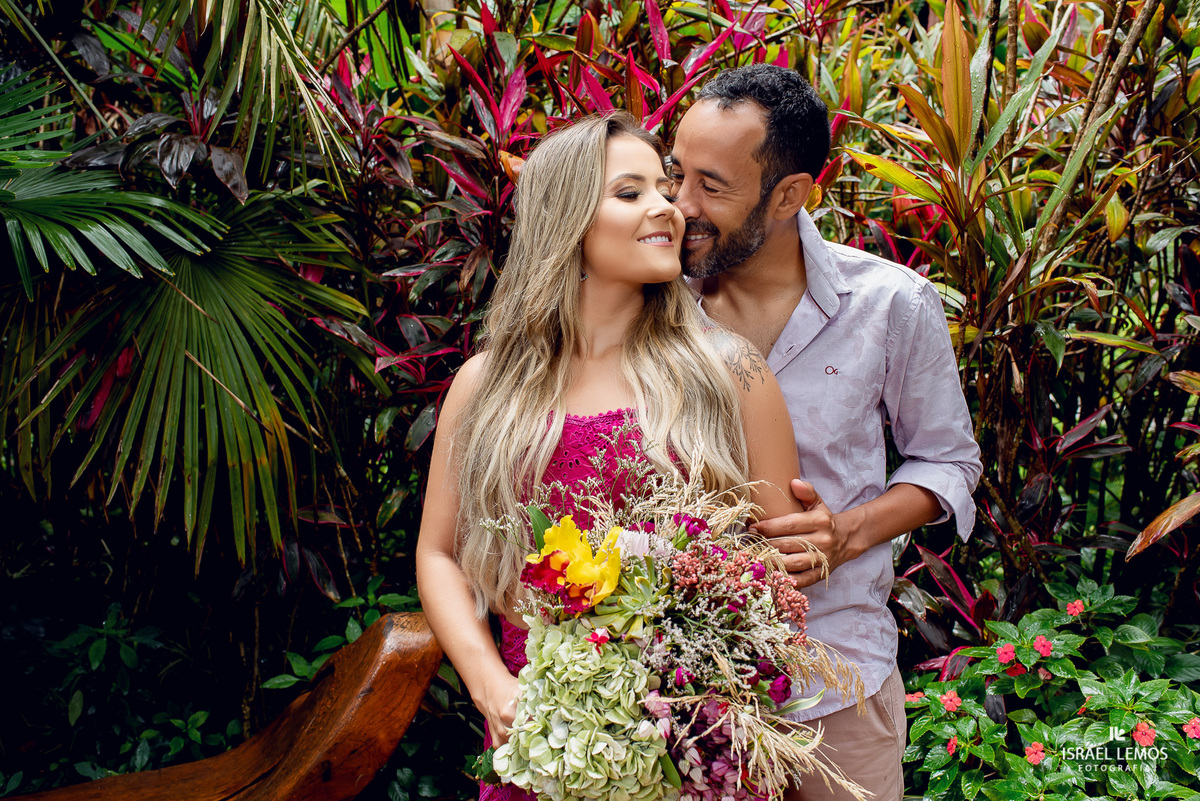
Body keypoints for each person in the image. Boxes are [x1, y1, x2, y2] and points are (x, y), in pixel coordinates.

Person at [414, 111, 812, 801]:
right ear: (566, 219)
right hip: (542, 742)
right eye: (631, 192)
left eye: (664, 188)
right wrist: (490, 684)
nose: (667, 207)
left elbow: (781, 570)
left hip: (688, 751)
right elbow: (439, 553)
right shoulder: (487, 385)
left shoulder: (732, 373)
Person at [669, 64, 983, 801]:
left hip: (837, 677)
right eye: (675, 173)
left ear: (789, 195)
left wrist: (845, 533)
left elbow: (948, 461)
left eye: (711, 186)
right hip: (674, 689)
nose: (681, 206)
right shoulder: (650, 297)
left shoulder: (891, 303)